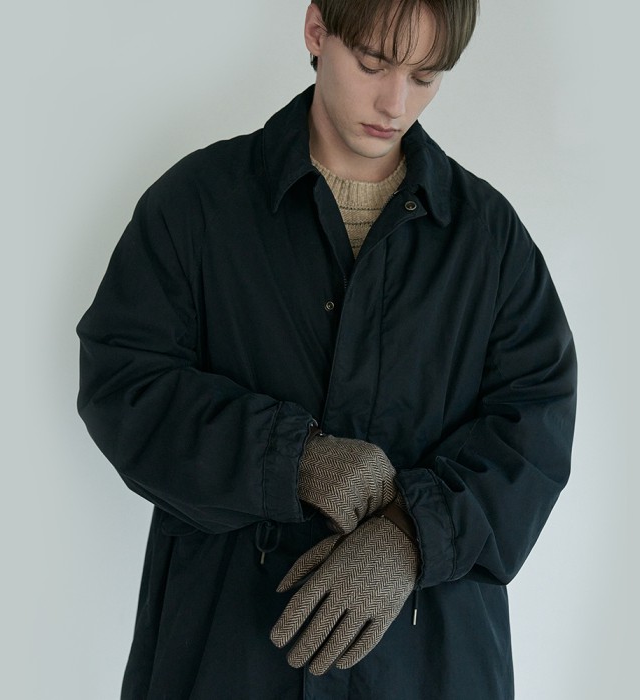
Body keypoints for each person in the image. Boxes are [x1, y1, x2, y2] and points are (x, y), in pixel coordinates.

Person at [76, 1, 577, 697]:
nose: (396, 103)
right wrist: (294, 458)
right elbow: (124, 381)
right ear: (317, 31)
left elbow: (536, 428)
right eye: (373, 64)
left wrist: (413, 533)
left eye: (425, 76)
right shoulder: (198, 205)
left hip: (426, 662)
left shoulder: (488, 239)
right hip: (229, 654)